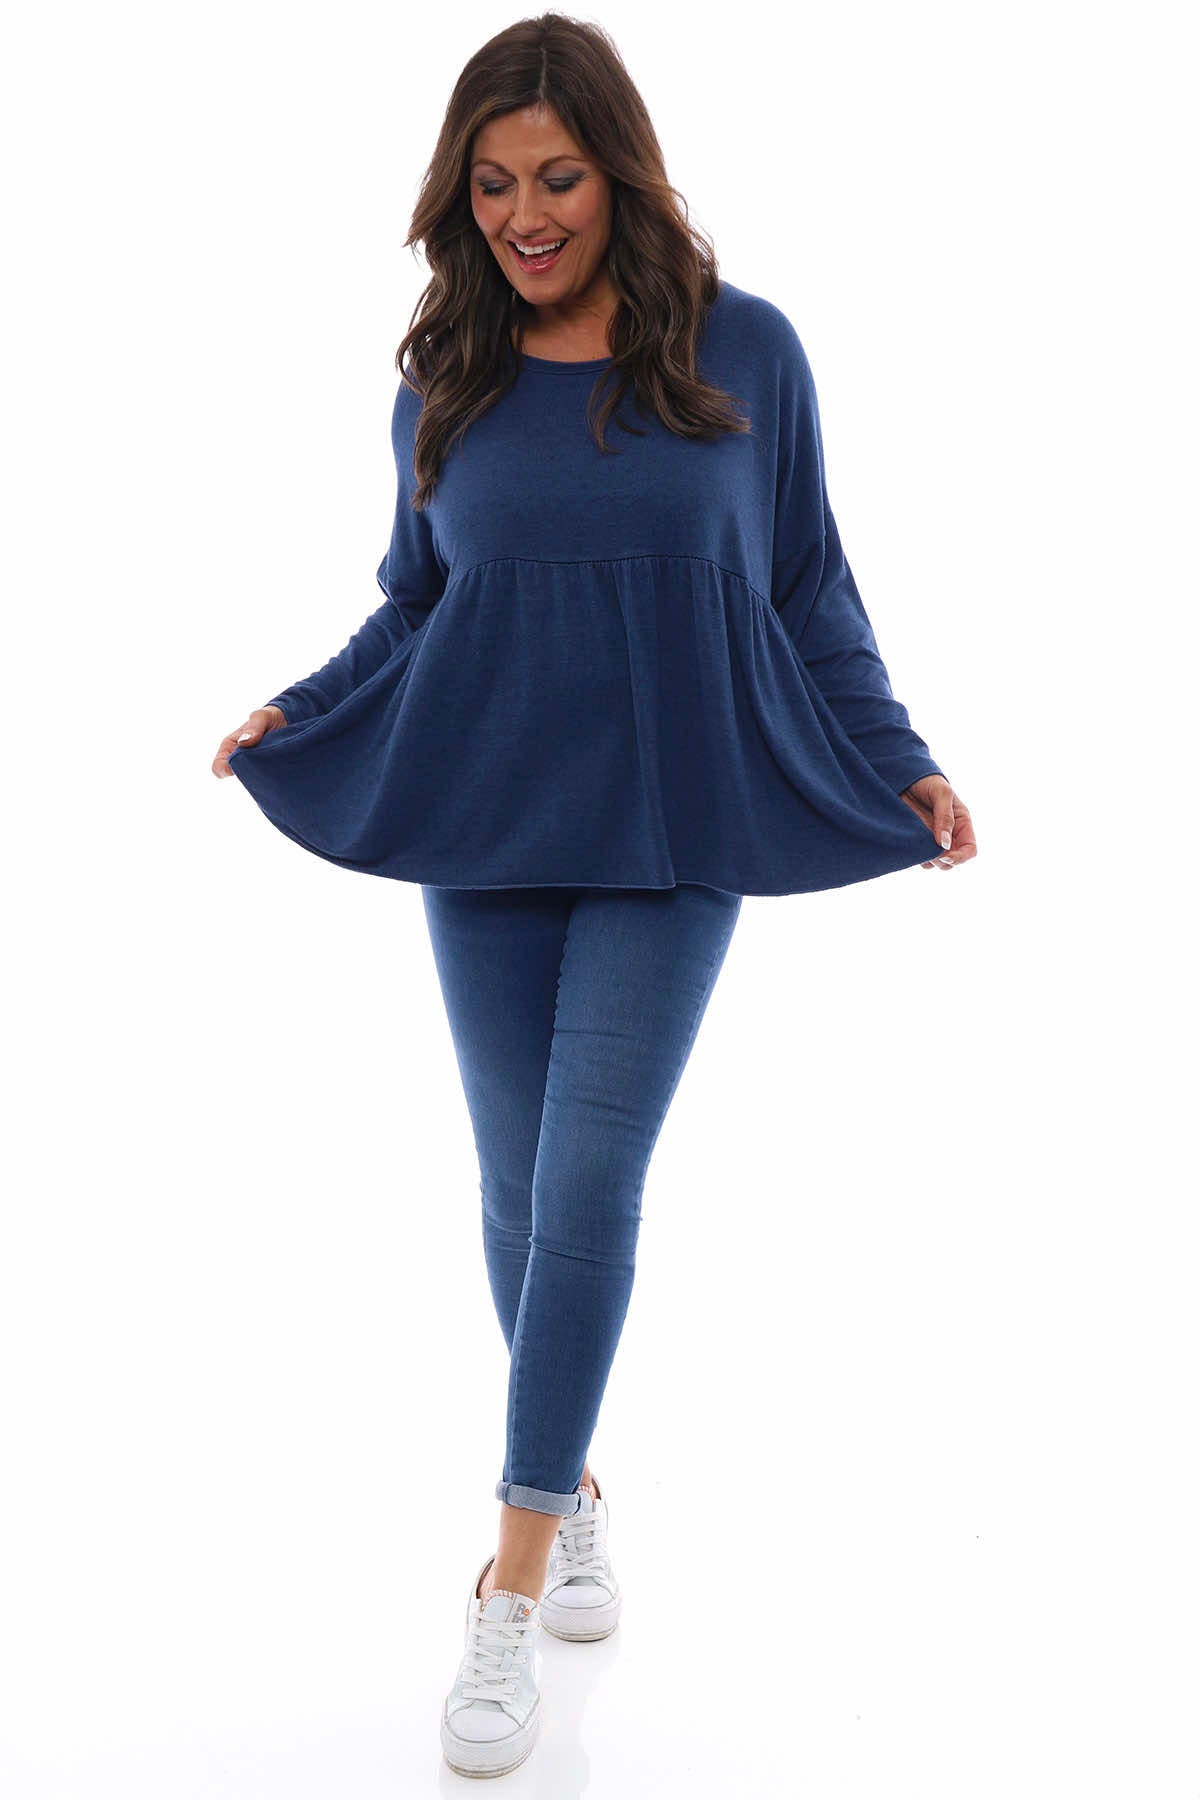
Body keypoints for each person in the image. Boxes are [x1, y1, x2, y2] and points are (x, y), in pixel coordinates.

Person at [212, 13, 976, 1780]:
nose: (523, 216)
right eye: (491, 185)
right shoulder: (445, 378)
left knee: (586, 1185)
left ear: (620, 172)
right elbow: (418, 603)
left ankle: (507, 1577)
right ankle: (578, 1488)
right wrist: (298, 713)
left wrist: (904, 758)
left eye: (555, 177)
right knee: (515, 1194)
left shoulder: (744, 349)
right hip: (483, 823)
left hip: (677, 824)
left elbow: (808, 590)